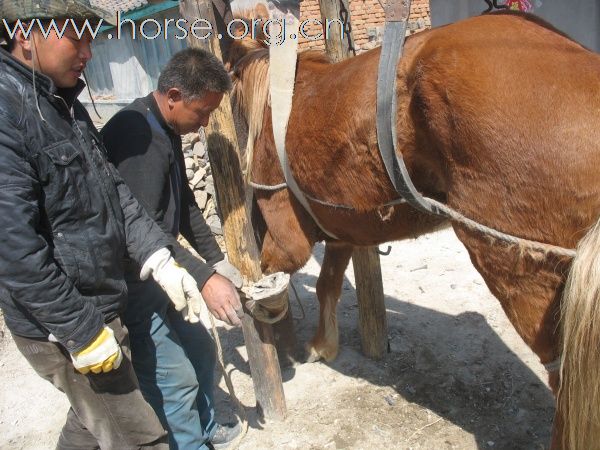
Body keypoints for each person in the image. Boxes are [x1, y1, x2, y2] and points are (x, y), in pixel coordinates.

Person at [0, 2, 211, 448]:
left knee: (91, 421)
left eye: (91, 39)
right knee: (140, 435)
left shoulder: (64, 105)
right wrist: (81, 331)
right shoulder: (8, 112)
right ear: (24, 33)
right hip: (60, 322)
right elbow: (13, 248)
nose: (88, 52)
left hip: (101, 303)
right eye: (76, 37)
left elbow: (114, 193)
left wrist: (160, 257)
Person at [101, 49, 244, 450]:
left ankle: (203, 428)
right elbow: (143, 233)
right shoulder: (140, 139)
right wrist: (204, 279)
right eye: (201, 112)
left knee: (200, 347)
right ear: (174, 95)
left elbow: (184, 207)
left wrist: (217, 262)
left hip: (161, 271)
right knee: (174, 378)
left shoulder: (164, 127)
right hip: (135, 280)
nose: (203, 124)